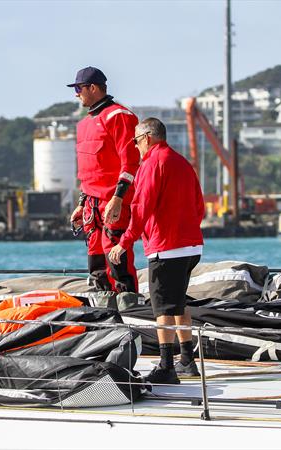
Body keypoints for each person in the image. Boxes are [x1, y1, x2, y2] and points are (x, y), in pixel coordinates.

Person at [108, 117, 205, 385]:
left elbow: (141, 208)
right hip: (190, 246)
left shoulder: (152, 163)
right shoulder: (183, 162)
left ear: (147, 137)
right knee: (177, 301)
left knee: (161, 305)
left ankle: (166, 366)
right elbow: (200, 207)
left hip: (166, 248)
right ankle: (187, 360)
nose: (136, 147)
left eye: (136, 141)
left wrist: (123, 242)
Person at [67, 67, 140, 294]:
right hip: (92, 205)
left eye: (79, 88)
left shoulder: (120, 117)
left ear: (93, 88)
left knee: (117, 257)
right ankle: (104, 311)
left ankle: (129, 309)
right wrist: (81, 204)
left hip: (112, 201)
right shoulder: (83, 125)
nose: (76, 93)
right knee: (96, 261)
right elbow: (88, 171)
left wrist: (118, 198)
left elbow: (130, 162)